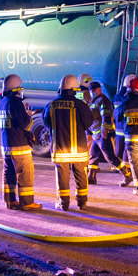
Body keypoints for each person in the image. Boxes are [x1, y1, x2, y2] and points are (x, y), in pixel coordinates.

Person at [42, 75, 94, 211]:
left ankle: (63, 203)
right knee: (81, 174)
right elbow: (88, 123)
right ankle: (82, 202)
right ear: (74, 89)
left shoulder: (51, 105)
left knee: (62, 176)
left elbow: (47, 124)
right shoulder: (81, 105)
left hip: (60, 149)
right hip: (79, 149)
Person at [0, 74, 42, 210]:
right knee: (25, 174)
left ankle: (10, 201)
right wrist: (29, 116)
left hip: (6, 146)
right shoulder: (15, 103)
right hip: (19, 146)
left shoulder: (3, 102)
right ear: (15, 89)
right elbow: (23, 123)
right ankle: (27, 202)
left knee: (9, 173)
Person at [88, 81, 132, 186]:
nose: (92, 92)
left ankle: (127, 174)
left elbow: (106, 118)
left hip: (102, 134)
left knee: (110, 157)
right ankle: (91, 177)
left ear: (99, 90)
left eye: (94, 90)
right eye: (91, 91)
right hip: (96, 134)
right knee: (93, 155)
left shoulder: (103, 100)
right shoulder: (94, 100)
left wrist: (104, 134)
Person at [112, 74, 136, 175]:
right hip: (126, 126)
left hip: (118, 127)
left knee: (118, 147)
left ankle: (116, 166)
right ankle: (125, 167)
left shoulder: (116, 96)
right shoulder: (128, 97)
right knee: (126, 148)